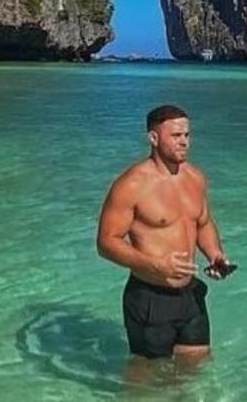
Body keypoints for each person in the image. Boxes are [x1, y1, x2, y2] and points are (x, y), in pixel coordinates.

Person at [96, 104, 233, 363]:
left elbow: (202, 223)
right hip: (150, 297)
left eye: (187, 135)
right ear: (154, 138)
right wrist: (155, 265)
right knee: (148, 381)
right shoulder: (132, 184)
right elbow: (106, 243)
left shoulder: (195, 177)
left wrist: (215, 255)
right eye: (176, 136)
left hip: (189, 294)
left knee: (195, 367)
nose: (184, 142)